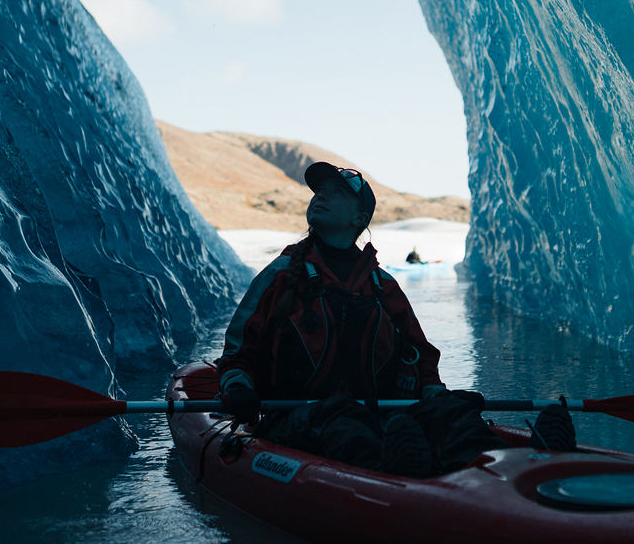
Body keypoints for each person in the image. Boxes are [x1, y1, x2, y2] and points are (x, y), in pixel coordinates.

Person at [215, 162, 573, 476]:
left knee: (447, 413)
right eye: (319, 191)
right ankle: (393, 475)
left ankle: (519, 464)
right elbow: (238, 350)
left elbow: (419, 355)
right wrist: (237, 386)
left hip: (375, 413)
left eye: (336, 192)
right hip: (294, 416)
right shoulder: (280, 276)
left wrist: (435, 394)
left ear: (359, 218)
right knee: (340, 416)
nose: (320, 196)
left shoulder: (381, 286)